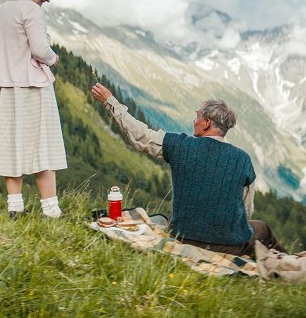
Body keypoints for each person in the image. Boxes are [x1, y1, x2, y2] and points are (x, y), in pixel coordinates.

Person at [90, 83, 286, 256]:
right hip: (230, 245)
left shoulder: (180, 146)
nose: (194, 121)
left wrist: (110, 101)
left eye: (197, 116)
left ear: (207, 122)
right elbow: (246, 209)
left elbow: (140, 135)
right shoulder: (243, 159)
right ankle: (286, 261)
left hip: (184, 237)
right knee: (263, 229)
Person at [0, 0, 67, 219]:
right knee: (43, 146)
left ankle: (15, 207)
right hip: (31, 87)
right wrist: (54, 59)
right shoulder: (31, 10)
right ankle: (51, 211)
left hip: (5, 88)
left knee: (12, 146)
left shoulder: (4, 9)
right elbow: (40, 49)